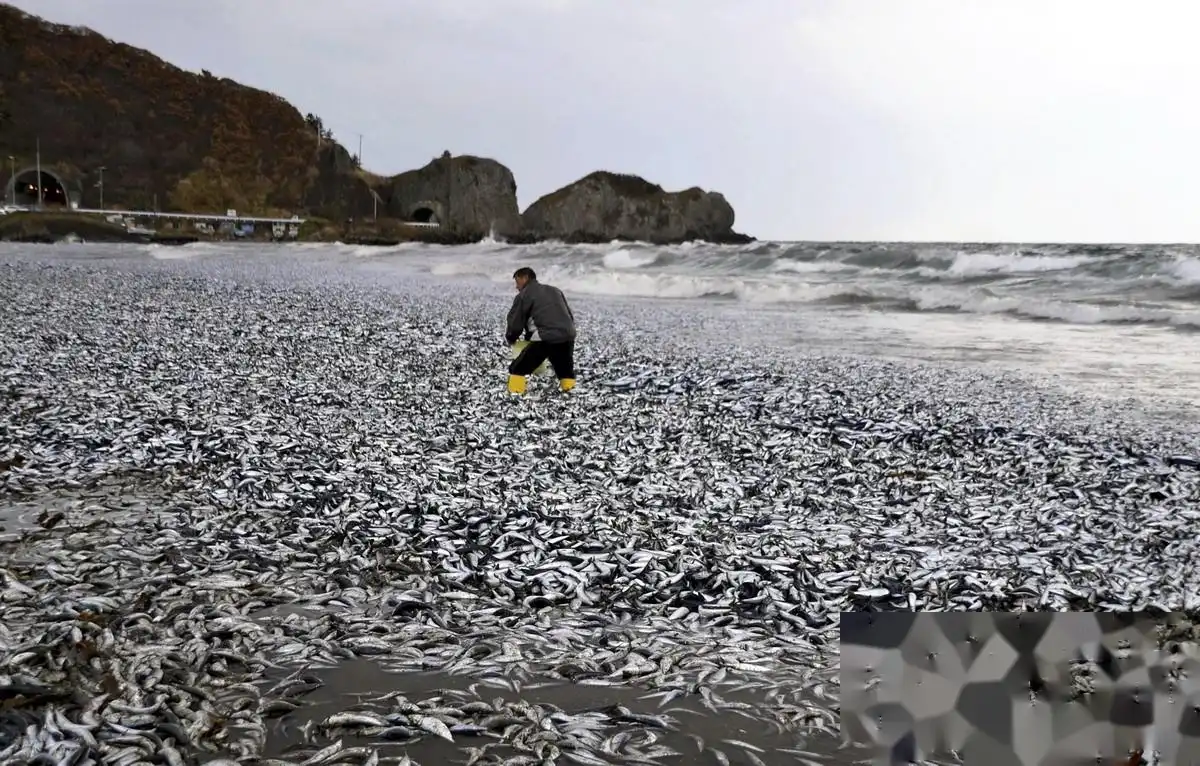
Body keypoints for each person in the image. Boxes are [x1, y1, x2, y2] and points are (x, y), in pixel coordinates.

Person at [505, 267, 576, 394]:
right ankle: (570, 392)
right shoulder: (555, 290)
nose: (516, 286)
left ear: (525, 278)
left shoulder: (524, 295)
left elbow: (515, 322)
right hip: (568, 335)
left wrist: (511, 338)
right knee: (565, 370)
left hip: (545, 337)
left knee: (517, 368)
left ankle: (515, 395)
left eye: (517, 281)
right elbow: (569, 315)